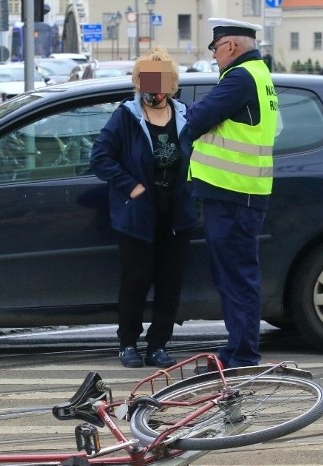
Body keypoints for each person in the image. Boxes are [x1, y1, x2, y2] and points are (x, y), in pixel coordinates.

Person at [89, 47, 197, 369]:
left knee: (170, 281)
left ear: (172, 82)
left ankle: (158, 344)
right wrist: (131, 186)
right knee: (136, 279)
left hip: (176, 215)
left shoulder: (185, 115)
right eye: (149, 81)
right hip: (137, 216)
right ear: (139, 82)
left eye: (162, 80)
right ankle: (128, 343)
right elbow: (100, 158)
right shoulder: (126, 116)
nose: (156, 89)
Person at [185, 18, 279, 369]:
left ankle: (242, 354)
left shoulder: (240, 78)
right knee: (236, 275)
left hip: (234, 194)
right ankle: (238, 349)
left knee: (236, 277)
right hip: (240, 193)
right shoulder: (259, 75)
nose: (213, 56)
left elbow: (197, 118)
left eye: (215, 48)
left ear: (230, 46)